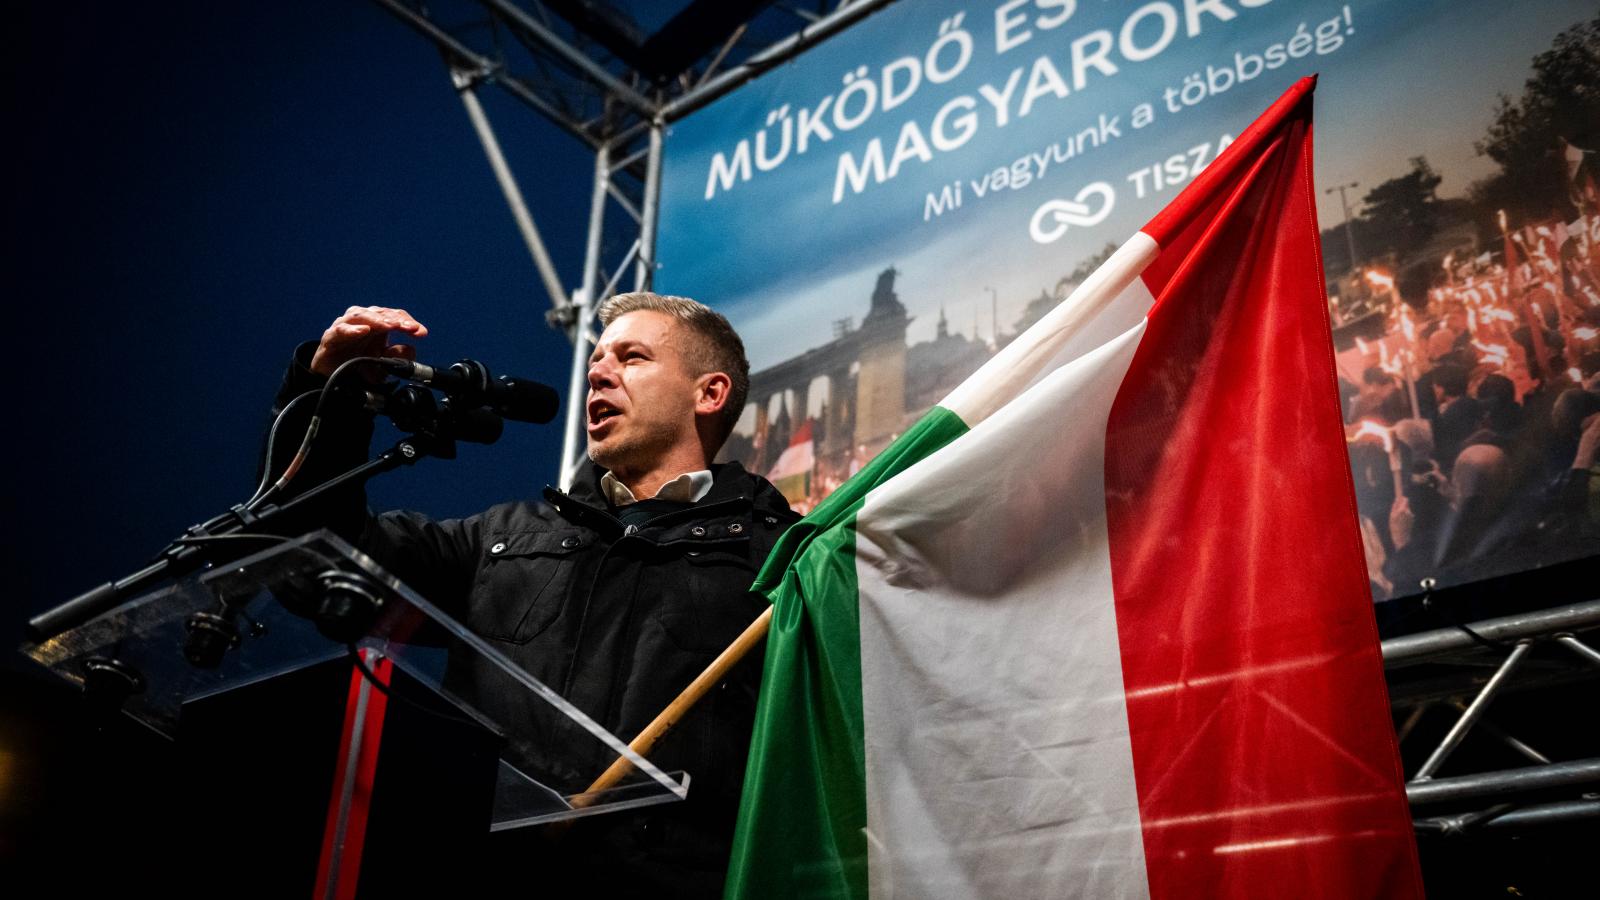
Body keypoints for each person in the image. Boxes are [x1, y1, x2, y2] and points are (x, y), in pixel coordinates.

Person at [267, 293, 800, 896]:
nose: (599, 372)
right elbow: (315, 556)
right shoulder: (501, 540)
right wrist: (327, 394)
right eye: (597, 360)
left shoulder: (782, 565)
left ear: (710, 394)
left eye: (632, 357)